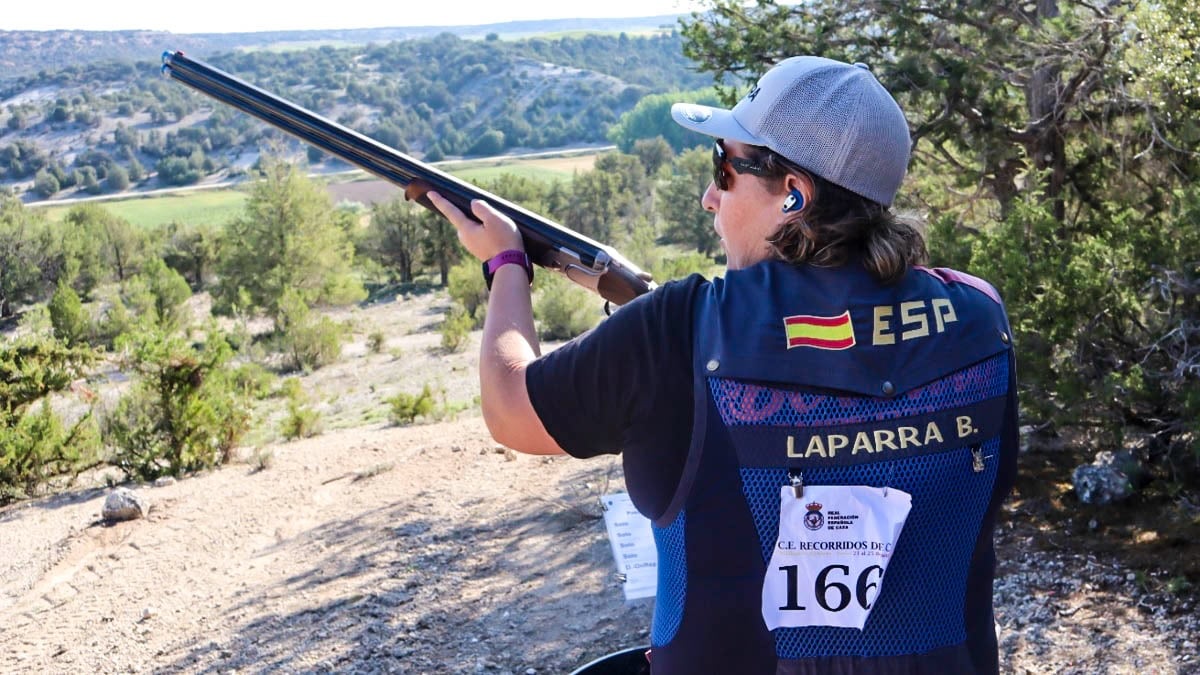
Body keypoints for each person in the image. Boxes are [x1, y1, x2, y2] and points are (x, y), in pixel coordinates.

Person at [429, 56, 1018, 675]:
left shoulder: (681, 327)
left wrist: (505, 266)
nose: (710, 195)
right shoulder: (978, 316)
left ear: (794, 192)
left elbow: (510, 407)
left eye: (724, 166)